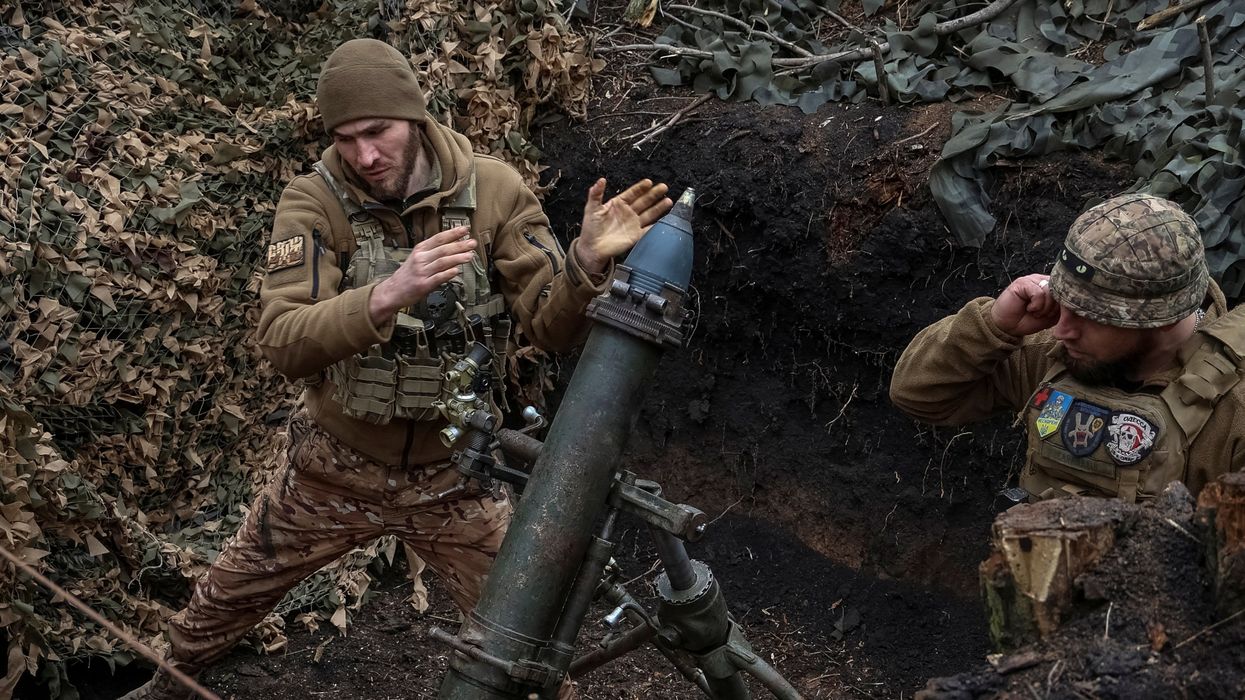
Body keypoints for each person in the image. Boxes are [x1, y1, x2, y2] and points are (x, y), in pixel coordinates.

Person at [122, 38, 672, 699]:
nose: (364, 155)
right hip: (334, 462)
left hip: (453, 473)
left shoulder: (494, 191)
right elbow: (282, 340)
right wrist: (385, 294)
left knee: (522, 644)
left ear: (414, 116)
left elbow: (549, 329)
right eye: (346, 139)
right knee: (219, 606)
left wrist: (584, 265)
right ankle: (166, 691)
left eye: (377, 132)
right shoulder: (314, 202)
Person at [889, 192, 1245, 503]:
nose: (1061, 330)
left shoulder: (1234, 409)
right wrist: (993, 325)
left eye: (1090, 316)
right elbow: (916, 395)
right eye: (1062, 302)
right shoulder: (1053, 351)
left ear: (1162, 320)